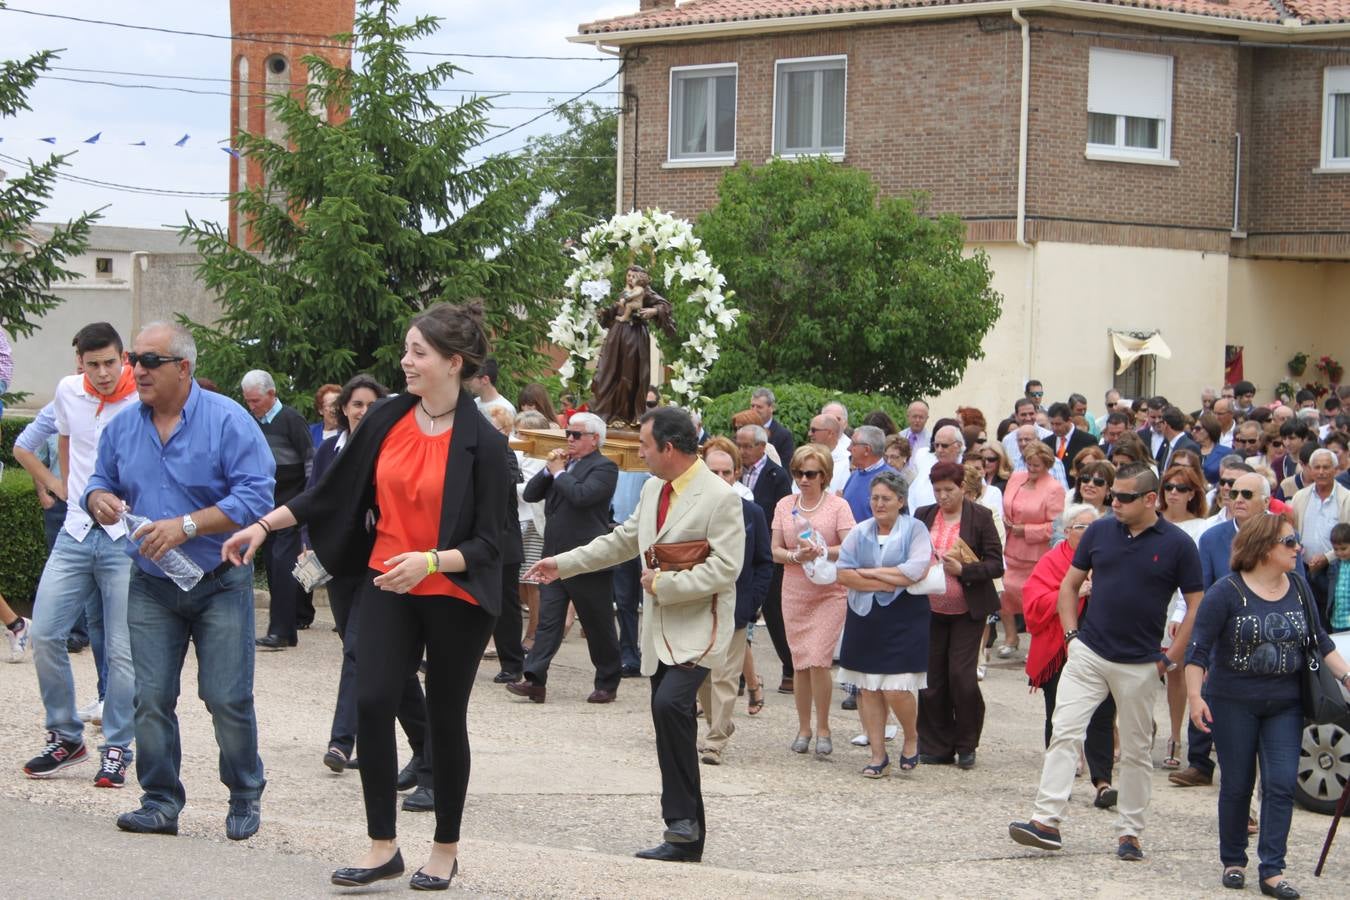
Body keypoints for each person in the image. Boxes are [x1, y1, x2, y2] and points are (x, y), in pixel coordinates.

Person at [223, 302, 507, 888]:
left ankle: (444, 849)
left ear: (454, 363)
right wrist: (262, 526)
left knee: (446, 716)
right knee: (374, 700)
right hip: (385, 580)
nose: (405, 362)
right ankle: (383, 846)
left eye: (419, 353)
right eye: (407, 349)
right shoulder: (388, 418)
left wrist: (430, 560)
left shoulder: (484, 441)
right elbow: (330, 491)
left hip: (453, 589)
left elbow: (492, 543)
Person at [524, 406, 743, 864]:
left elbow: (726, 568)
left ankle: (680, 821)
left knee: (669, 707)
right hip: (660, 630)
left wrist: (664, 584)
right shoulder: (652, 488)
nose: (638, 452)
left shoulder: (719, 497)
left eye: (644, 445)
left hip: (701, 628)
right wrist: (561, 563)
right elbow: (622, 540)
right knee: (670, 722)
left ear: (667, 448)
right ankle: (686, 833)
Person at [85, 321, 274, 840]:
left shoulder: (229, 420)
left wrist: (188, 525)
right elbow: (101, 481)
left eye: (148, 361)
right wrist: (97, 498)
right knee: (150, 698)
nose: (135, 370)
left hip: (219, 581)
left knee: (226, 697)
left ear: (183, 368)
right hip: (150, 583)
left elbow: (258, 497)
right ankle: (161, 801)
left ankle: (243, 792)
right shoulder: (124, 425)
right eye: (133, 359)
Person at [1009, 463, 1203, 863]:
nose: (1114, 501)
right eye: (1113, 493)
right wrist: (1071, 637)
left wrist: (1169, 658)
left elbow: (1197, 604)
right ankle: (1046, 821)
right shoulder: (1098, 531)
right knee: (1064, 731)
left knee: (1134, 751)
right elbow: (1070, 584)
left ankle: (1130, 832)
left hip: (1142, 663)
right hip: (1089, 653)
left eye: (1125, 496)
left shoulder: (1178, 544)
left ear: (1152, 500)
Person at [1186, 514, 1350, 897]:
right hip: (1232, 702)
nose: (1298, 548)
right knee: (1238, 784)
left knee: (1280, 784)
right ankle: (1234, 860)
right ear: (1263, 548)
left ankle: (1272, 869)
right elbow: (1198, 651)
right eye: (1289, 542)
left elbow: (1319, 640)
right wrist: (1195, 696)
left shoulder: (1297, 584)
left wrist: (1346, 677)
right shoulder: (1226, 592)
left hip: (1286, 703)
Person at [18, 322, 140, 788]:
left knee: (122, 649)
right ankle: (66, 736)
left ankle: (117, 748)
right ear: (79, 364)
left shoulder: (141, 398)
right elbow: (62, 444)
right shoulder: (69, 392)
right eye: (94, 365)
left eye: (111, 362)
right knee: (45, 634)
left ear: (122, 357)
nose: (104, 373)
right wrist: (61, 489)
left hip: (122, 537)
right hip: (75, 530)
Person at [314, 375, 428, 798]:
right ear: (343, 408)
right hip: (342, 568)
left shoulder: (391, 448)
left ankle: (342, 740)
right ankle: (425, 749)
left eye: (370, 404)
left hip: (382, 567)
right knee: (384, 665)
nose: (362, 411)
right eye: (356, 404)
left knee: (361, 651)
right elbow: (317, 499)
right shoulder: (331, 449)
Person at [508, 412, 622, 704]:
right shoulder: (563, 465)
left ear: (594, 440)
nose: (569, 439)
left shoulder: (605, 467)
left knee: (597, 623)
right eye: (567, 434)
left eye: (576, 435)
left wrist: (559, 473)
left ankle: (608, 681)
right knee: (549, 620)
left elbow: (583, 496)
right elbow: (532, 495)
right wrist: (548, 471)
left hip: (587, 557)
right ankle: (535, 679)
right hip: (555, 556)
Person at [835, 470, 931, 776]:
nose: (879, 503)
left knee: (896, 688)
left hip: (905, 617)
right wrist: (886, 577)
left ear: (900, 501)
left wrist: (867, 573)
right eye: (875, 498)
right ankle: (878, 755)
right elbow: (842, 573)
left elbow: (914, 571)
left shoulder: (915, 529)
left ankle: (912, 735)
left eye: (886, 498)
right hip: (865, 617)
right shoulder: (860, 531)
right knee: (868, 688)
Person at [1023, 504, 1119, 810]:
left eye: (1095, 527)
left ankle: (1103, 783)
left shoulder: (1110, 558)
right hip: (1060, 648)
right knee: (1059, 716)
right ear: (1066, 532)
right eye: (1082, 528)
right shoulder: (1052, 561)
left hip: (1103, 645)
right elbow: (1033, 603)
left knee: (1103, 716)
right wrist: (1073, 592)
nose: (1091, 533)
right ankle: (1057, 785)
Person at [913, 462, 1004, 769]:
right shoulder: (923, 515)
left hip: (968, 609)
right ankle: (936, 744)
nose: (943, 497)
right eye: (937, 490)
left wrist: (963, 569)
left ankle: (966, 742)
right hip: (930, 608)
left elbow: (996, 565)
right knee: (931, 679)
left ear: (963, 488)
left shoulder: (979, 517)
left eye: (949, 490)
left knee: (961, 677)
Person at [772, 443, 855, 756]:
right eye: (798, 473)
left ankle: (824, 726)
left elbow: (850, 547)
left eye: (810, 474)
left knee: (819, 659)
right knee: (800, 663)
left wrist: (824, 550)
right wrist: (796, 555)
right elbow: (775, 550)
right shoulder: (784, 505)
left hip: (829, 591)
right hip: (795, 589)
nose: (803, 479)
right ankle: (804, 726)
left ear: (824, 475)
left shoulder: (837, 506)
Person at [697, 443, 773, 764]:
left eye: (726, 472)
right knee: (701, 677)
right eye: (713, 471)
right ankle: (721, 723)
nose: (720, 477)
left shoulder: (751, 513)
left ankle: (714, 741)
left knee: (726, 677)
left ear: (736, 474)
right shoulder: (694, 510)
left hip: (737, 608)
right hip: (698, 605)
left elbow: (764, 562)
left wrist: (752, 602)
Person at [241, 369, 315, 649]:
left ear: (271, 394)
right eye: (248, 401)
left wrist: (308, 499)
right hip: (265, 508)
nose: (252, 406)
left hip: (291, 504)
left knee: (283, 564)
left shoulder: (292, 419)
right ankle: (284, 627)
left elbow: (310, 460)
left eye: (256, 401)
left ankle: (282, 631)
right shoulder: (251, 422)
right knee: (274, 565)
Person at [1156, 463, 1212, 770]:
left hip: (1182, 604)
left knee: (1175, 671)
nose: (1174, 493)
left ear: (1193, 494)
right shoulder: (1153, 521)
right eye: (1169, 487)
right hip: (1151, 601)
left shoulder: (1202, 528)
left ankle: (1175, 736)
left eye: (1181, 488)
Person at [737, 423, 796, 694]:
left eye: (748, 446)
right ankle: (736, 673)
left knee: (774, 612)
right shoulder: (735, 472)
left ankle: (790, 666)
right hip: (738, 549)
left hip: (766, 550)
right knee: (739, 613)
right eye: (739, 444)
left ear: (762, 447)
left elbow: (782, 514)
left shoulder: (776, 475)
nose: (742, 450)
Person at [999, 440, 1065, 658]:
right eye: (1028, 463)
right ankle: (1011, 637)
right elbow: (1005, 505)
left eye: (1036, 465)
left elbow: (1056, 526)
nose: (1031, 468)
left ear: (1046, 465)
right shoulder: (1016, 478)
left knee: (1033, 601)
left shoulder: (1054, 488)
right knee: (1004, 593)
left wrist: (1025, 529)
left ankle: (1036, 642)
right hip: (1009, 548)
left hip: (1035, 554)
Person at [590, 266, 676, 425]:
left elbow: (665, 306)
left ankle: (625, 415)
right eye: (628, 275)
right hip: (616, 336)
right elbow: (614, 310)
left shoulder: (644, 291)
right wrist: (603, 312)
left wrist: (653, 311)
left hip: (634, 336)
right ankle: (606, 413)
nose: (629, 278)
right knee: (607, 372)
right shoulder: (621, 291)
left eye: (633, 276)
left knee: (629, 374)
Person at [1290, 448, 1350, 621]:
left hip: (1336, 568)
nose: (1321, 472)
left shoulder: (1346, 498)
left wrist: (1326, 557)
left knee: (1329, 617)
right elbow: (1293, 531)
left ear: (1336, 469)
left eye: (1326, 467)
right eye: (1317, 467)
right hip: (1304, 567)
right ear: (1309, 469)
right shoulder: (1300, 497)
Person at [512, 410, 552, 656]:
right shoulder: (519, 452)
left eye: (522, 432)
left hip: (534, 523)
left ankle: (534, 633)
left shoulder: (541, 456)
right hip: (518, 520)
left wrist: (508, 484)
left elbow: (532, 488)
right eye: (517, 431)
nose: (518, 436)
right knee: (519, 583)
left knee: (531, 582)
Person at [840, 425, 897, 523]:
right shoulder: (855, 474)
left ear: (866, 450)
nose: (848, 448)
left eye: (853, 444)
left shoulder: (892, 480)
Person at [1043, 402, 1095, 472]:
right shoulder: (1046, 443)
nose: (1054, 428)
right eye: (1052, 424)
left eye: (1058, 424)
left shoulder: (1087, 440)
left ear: (1069, 420)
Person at [751, 387, 795, 466]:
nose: (754, 410)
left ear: (772, 408)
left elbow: (785, 468)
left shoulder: (784, 435)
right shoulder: (743, 431)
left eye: (759, 407)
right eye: (752, 406)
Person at [467, 357, 515, 422]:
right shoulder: (474, 404)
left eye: (472, 377)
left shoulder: (505, 409)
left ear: (485, 380)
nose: (468, 381)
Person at [1191, 412, 1229, 485]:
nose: (1193, 432)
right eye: (1193, 428)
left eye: (1198, 428)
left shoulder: (1226, 452)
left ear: (1209, 429)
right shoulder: (1190, 449)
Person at [1328, 522, 1350, 632]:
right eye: (1336, 549)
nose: (1340, 553)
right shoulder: (1334, 566)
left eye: (1343, 548)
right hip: (1337, 622)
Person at [310, 383, 342, 448]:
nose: (336, 409)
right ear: (320, 410)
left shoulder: (349, 433)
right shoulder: (310, 432)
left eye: (339, 404)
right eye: (331, 405)